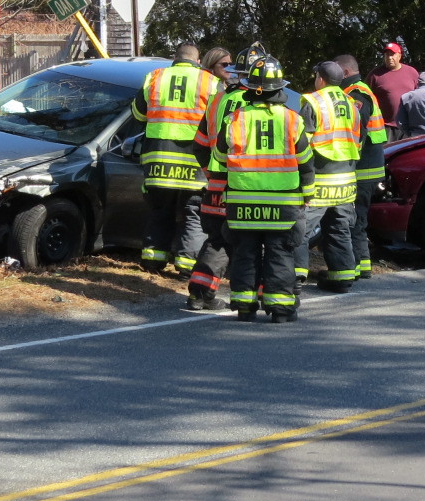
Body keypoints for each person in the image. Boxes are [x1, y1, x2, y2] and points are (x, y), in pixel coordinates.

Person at [210, 55, 314, 322]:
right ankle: (280, 310)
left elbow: (220, 157)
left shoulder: (235, 119)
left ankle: (245, 307)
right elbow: (306, 163)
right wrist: (308, 194)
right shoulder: (292, 120)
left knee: (245, 252)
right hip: (282, 204)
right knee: (280, 253)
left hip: (243, 202)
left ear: (249, 87)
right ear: (279, 89)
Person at [131, 43, 221, 275]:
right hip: (194, 160)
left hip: (159, 157)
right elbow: (217, 121)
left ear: (174, 58)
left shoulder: (155, 77)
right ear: (198, 60)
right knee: (194, 212)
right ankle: (186, 266)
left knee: (159, 209)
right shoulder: (209, 82)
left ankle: (153, 260)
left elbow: (139, 113)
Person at [187, 45, 247, 309]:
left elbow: (199, 144)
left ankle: (199, 295)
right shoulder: (255, 103)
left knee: (218, 240)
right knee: (249, 241)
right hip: (246, 186)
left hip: (216, 185)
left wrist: (212, 172)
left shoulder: (218, 100)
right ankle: (249, 297)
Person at [296, 61, 362, 293]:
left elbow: (302, 143)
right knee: (339, 229)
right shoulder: (352, 104)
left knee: (300, 229)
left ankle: (295, 277)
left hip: (320, 180)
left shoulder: (314, 101)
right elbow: (357, 140)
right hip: (345, 180)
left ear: (320, 79)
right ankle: (342, 277)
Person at [336, 53, 388, 279]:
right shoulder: (355, 91)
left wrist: (346, 158)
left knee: (354, 218)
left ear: (345, 72)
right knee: (358, 218)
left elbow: (358, 132)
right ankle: (363, 265)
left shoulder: (356, 94)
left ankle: (356, 267)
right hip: (367, 166)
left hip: (362, 167)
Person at [369, 41, 420, 136]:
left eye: (392, 54)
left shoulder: (411, 72)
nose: (389, 58)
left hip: (410, 125)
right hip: (386, 126)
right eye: (387, 55)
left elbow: (420, 96)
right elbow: (366, 98)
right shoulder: (375, 75)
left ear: (399, 56)